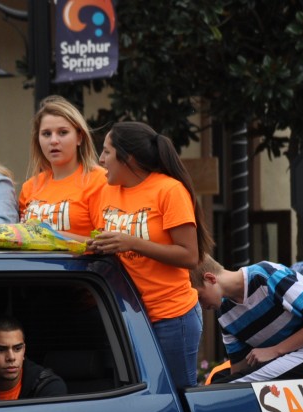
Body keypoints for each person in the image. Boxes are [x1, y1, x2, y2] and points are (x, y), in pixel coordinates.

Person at [88, 121, 214, 388]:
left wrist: (132, 242)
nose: (101, 160)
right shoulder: (106, 190)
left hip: (171, 315)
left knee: (177, 394)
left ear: (128, 158)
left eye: (107, 152)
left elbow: (190, 256)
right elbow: (108, 240)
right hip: (127, 315)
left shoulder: (169, 190)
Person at [191, 254, 303, 383]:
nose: (200, 305)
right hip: (289, 355)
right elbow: (239, 368)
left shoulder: (267, 275)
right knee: (219, 381)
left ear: (211, 279)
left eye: (198, 296)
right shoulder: (224, 313)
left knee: (226, 387)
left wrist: (275, 351)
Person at [18, 95, 106, 237]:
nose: (53, 140)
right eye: (46, 134)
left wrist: (48, 234)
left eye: (63, 133)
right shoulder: (29, 187)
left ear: (79, 137)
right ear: (38, 140)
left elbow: (104, 243)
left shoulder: (100, 180)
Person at [0, 316, 66, 400]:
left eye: (17, 349)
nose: (11, 357)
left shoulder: (46, 386)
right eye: (0, 350)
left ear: (24, 350)